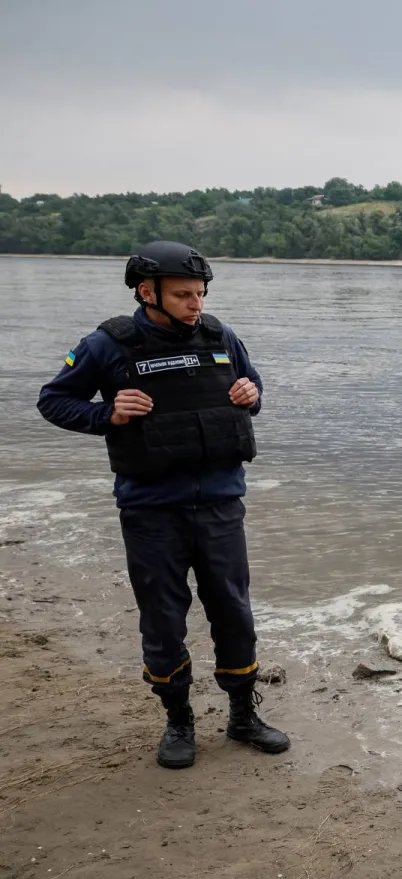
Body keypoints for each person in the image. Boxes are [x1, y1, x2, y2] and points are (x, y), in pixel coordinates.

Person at [37, 241, 289, 769]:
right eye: (183, 295)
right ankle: (179, 720)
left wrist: (251, 394)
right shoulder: (107, 345)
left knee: (233, 612)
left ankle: (243, 715)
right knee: (163, 618)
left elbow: (252, 385)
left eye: (200, 293)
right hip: (151, 510)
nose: (195, 304)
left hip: (221, 504)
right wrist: (108, 414)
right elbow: (54, 400)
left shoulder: (221, 336)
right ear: (146, 291)